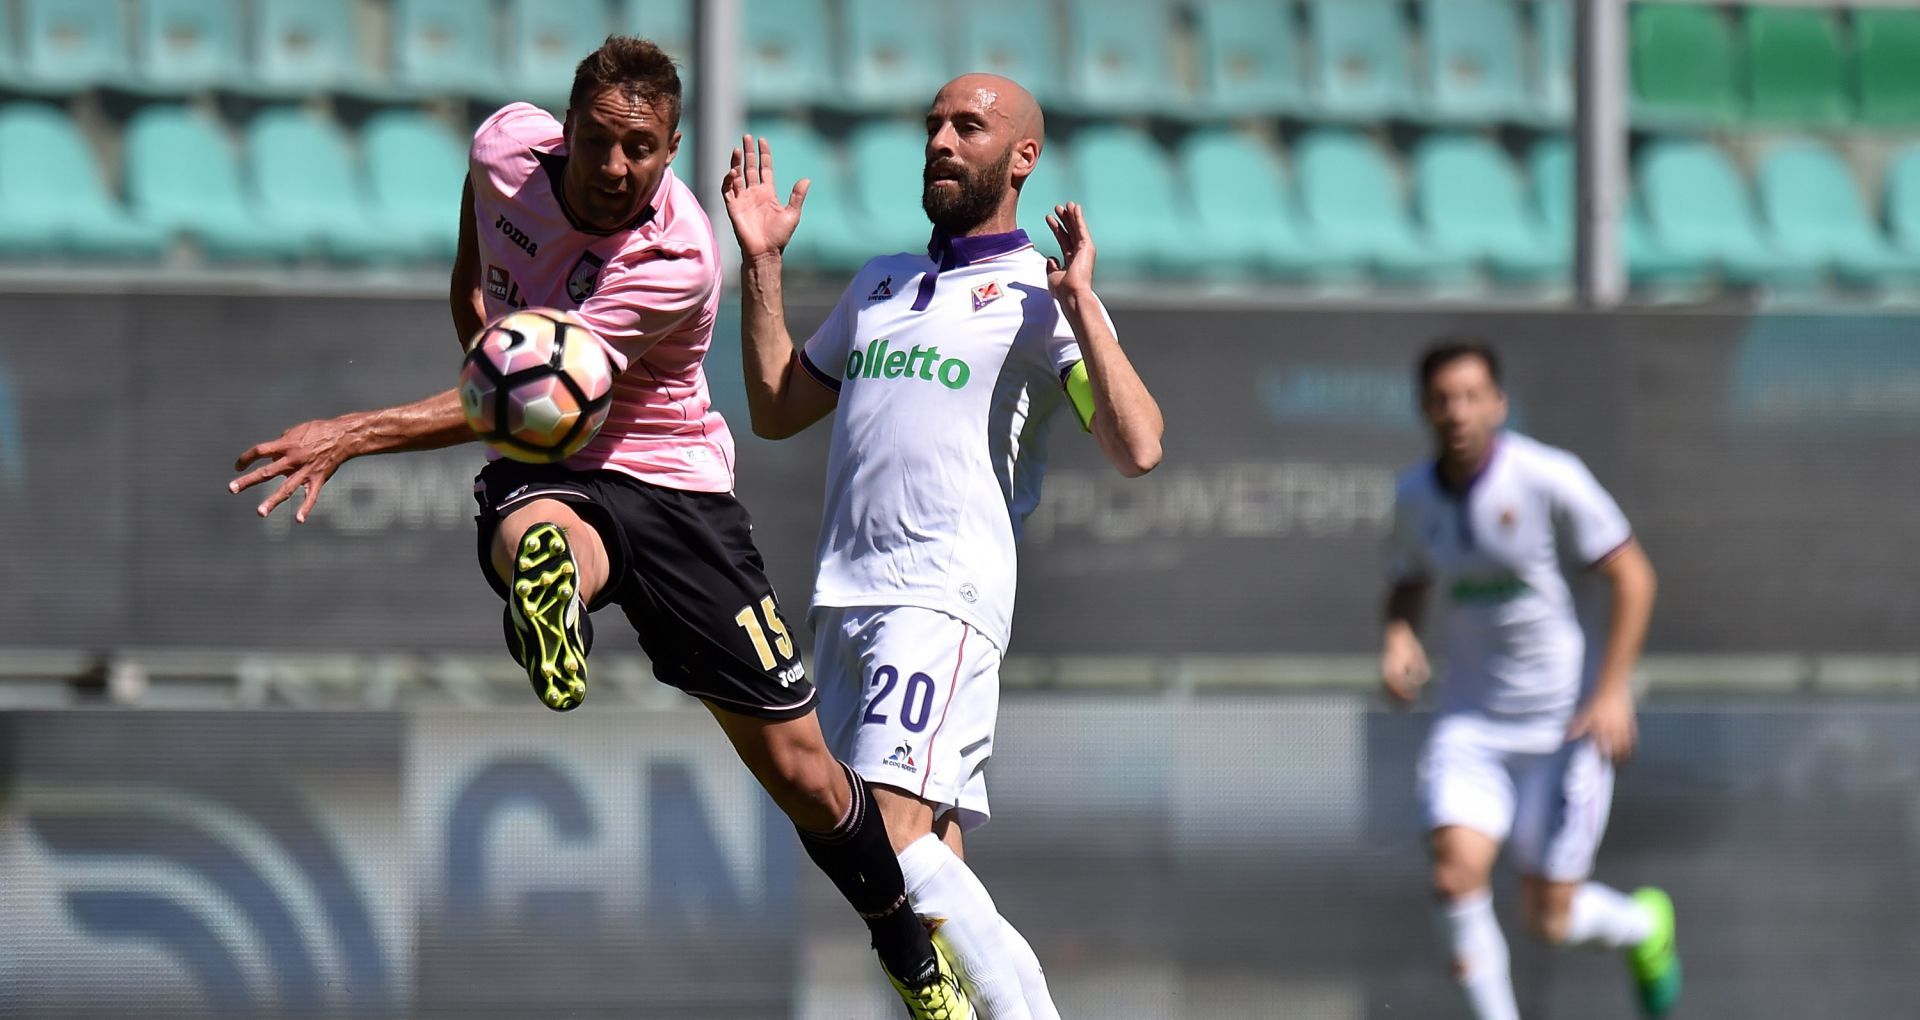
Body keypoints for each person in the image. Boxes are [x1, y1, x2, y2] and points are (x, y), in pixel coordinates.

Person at [228, 36, 970, 1020]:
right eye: (599, 141)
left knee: (801, 770)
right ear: (565, 129)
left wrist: (352, 434)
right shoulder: (501, 151)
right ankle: (557, 595)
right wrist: (485, 352)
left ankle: (908, 951)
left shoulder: (679, 255)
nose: (616, 167)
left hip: (672, 485)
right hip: (549, 457)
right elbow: (482, 298)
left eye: (642, 148)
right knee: (540, 516)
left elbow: (531, 387)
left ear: (671, 151)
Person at [720, 73, 1164, 1019]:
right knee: (926, 854)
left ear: (1024, 156)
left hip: (940, 594)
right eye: (934, 126)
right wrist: (761, 266)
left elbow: (1137, 446)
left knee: (886, 833)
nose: (942, 142)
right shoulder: (879, 283)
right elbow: (776, 407)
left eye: (970, 126)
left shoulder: (1039, 299)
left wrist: (1082, 303)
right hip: (845, 597)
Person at [1381, 340, 1681, 1018]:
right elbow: (1407, 582)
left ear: (1499, 404)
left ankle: (1643, 927)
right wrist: (1399, 635)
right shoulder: (1413, 497)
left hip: (1564, 726)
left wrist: (1611, 691)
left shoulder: (1549, 478)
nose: (1458, 412)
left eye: (1471, 397)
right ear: (1424, 409)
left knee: (1550, 919)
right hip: (1471, 725)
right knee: (1454, 876)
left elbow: (1633, 576)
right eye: (1443, 400)